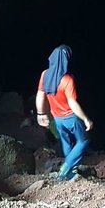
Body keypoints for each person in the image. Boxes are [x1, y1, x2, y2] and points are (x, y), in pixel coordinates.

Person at [35, 44, 94, 180]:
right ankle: (66, 167)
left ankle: (70, 173)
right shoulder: (67, 80)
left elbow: (40, 95)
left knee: (67, 143)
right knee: (83, 140)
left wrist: (41, 114)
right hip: (70, 117)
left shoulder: (45, 75)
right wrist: (85, 118)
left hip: (57, 118)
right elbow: (72, 103)